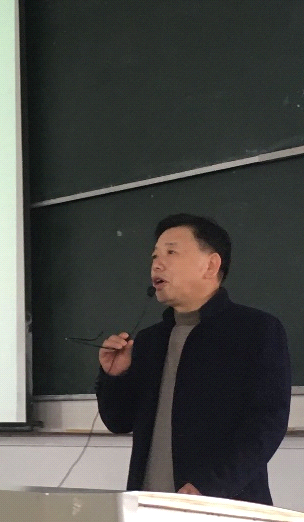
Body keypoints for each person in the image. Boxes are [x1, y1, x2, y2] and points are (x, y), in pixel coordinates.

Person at [95, 213, 291, 505]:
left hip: (223, 507)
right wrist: (115, 377)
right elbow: (118, 421)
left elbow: (266, 425)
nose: (157, 264)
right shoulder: (149, 341)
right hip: (149, 505)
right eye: (154, 256)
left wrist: (209, 487)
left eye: (171, 252)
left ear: (210, 265)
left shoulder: (255, 330)